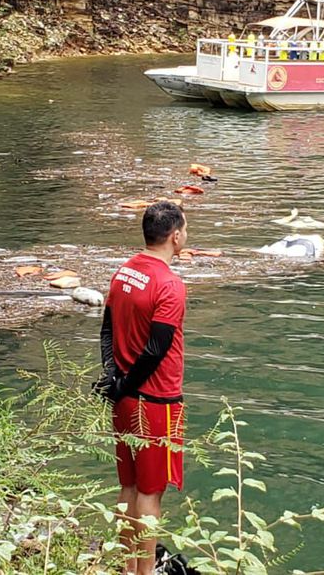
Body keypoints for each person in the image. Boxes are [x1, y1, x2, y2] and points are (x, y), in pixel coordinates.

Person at [97, 201, 189, 575]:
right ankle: (145, 571)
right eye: (186, 229)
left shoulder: (125, 272)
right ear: (175, 235)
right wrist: (127, 382)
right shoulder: (170, 284)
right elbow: (157, 348)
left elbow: (106, 328)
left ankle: (126, 567)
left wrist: (114, 379)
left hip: (124, 397)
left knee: (129, 486)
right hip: (157, 400)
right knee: (151, 492)